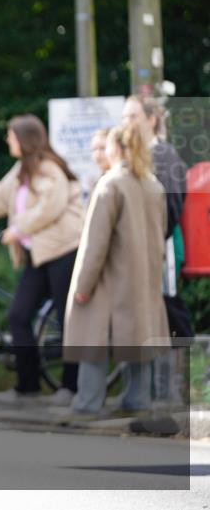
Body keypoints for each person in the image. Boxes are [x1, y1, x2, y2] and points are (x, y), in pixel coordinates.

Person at [0, 115, 84, 406]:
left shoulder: (48, 168)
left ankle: (71, 387)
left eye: (10, 135)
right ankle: (27, 385)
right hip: (38, 255)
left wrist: (18, 229)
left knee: (69, 321)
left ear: (24, 138)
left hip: (63, 251)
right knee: (19, 315)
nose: (7, 140)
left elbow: (50, 206)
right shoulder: (21, 171)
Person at [62, 121, 170, 417]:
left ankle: (88, 402)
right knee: (139, 334)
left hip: (112, 279)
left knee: (93, 338)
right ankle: (138, 400)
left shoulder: (110, 184)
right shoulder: (153, 185)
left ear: (117, 147)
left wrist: (83, 286)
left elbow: (94, 244)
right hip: (144, 278)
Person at [122, 96, 192, 406]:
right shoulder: (134, 155)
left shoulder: (164, 155)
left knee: (169, 306)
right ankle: (154, 388)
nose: (128, 123)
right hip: (141, 245)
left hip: (161, 245)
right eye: (125, 117)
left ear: (151, 119)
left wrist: (151, 238)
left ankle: (177, 385)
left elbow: (172, 206)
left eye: (133, 116)